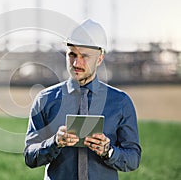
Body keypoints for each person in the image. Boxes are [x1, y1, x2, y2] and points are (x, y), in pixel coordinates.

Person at [24, 19, 141, 180]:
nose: (76, 63)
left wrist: (109, 151)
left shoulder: (120, 102)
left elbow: (133, 159)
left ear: (100, 58)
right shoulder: (45, 100)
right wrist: (55, 142)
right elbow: (29, 156)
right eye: (72, 54)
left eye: (84, 56)